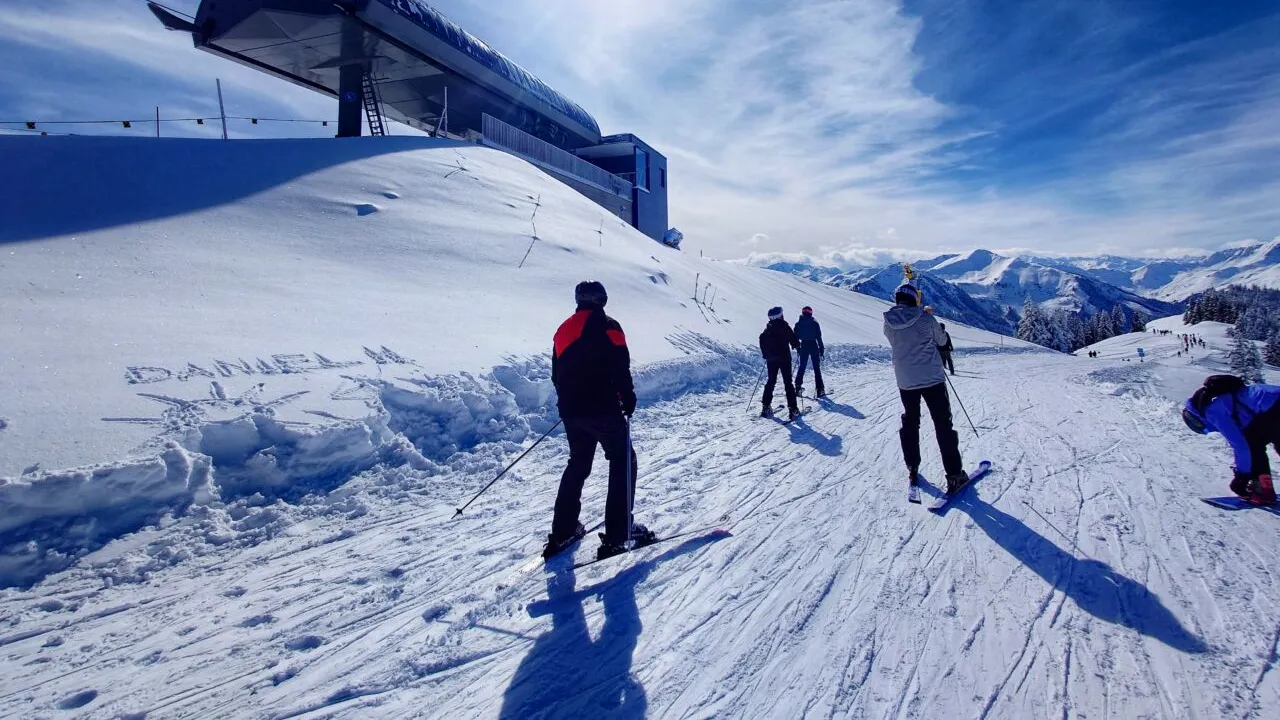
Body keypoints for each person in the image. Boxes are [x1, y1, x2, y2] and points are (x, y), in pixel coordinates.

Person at [547, 281, 654, 560]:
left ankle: (563, 530)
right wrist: (627, 397)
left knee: (578, 465)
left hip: (571, 411)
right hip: (603, 408)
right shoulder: (609, 325)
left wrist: (570, 402)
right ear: (602, 299)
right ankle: (620, 532)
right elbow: (621, 365)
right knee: (623, 460)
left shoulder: (563, 328)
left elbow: (556, 374)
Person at [883, 284, 969, 493]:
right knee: (942, 424)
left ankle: (912, 466)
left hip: (905, 380)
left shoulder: (888, 323)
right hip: (932, 379)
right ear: (915, 299)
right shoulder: (925, 318)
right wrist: (928, 318)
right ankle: (954, 474)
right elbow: (941, 340)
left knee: (911, 422)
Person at [1182, 375, 1280, 505]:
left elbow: (1240, 446)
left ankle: (1263, 491)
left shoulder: (1212, 411)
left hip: (1272, 408)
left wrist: (1242, 477)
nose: (1207, 430)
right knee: (1254, 443)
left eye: (1203, 429)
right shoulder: (1214, 399)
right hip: (1270, 403)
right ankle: (1263, 489)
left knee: (1252, 446)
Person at [760, 306, 800, 421]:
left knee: (771, 381)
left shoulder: (768, 328)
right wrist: (797, 346)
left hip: (771, 359)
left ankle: (766, 407)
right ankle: (793, 409)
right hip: (784, 358)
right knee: (788, 383)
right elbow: (793, 340)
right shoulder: (784, 326)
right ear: (780, 316)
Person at [793, 306, 826, 398]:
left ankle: (797, 387)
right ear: (811, 313)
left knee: (802, 367)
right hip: (813, 345)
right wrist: (821, 349)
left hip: (803, 345)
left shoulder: (798, 324)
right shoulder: (814, 323)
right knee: (816, 368)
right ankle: (820, 389)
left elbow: (795, 337)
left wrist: (798, 348)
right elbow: (818, 337)